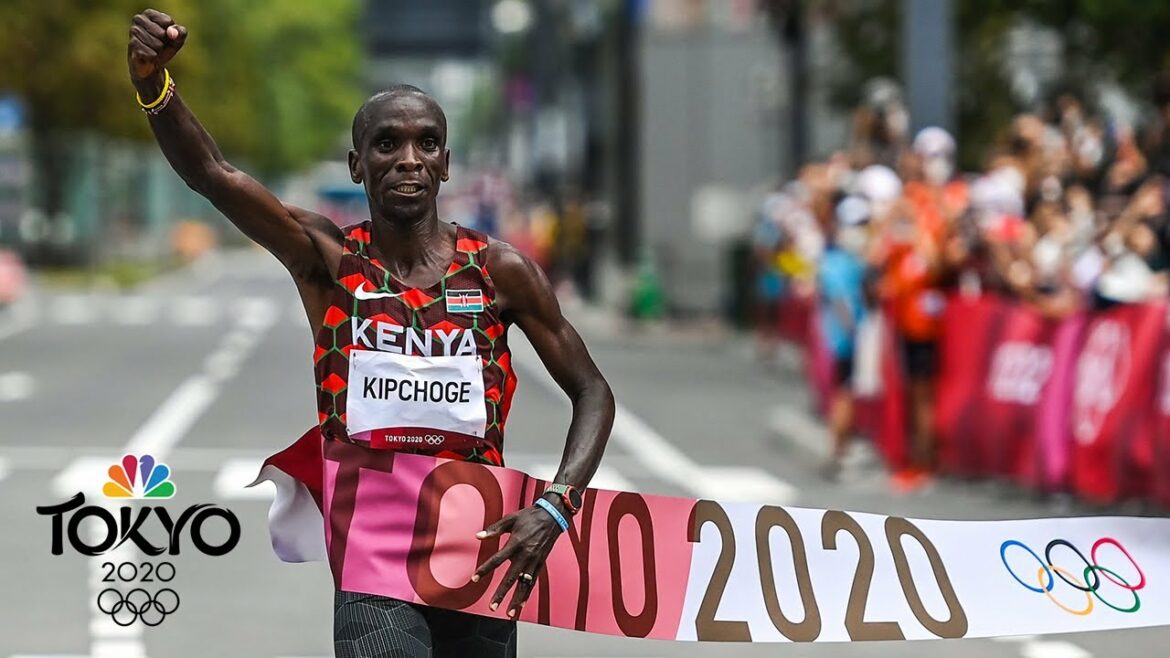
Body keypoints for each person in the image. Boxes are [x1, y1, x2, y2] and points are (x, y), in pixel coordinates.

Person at [127, 10, 615, 658]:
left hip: (479, 553)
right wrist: (154, 85)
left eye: (426, 144)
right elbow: (214, 175)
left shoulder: (499, 271)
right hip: (373, 557)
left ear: (446, 163)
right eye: (387, 144)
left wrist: (554, 507)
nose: (408, 159)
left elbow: (592, 392)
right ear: (357, 164)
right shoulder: (328, 261)